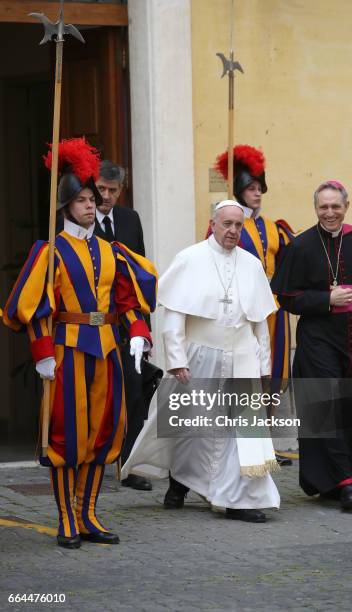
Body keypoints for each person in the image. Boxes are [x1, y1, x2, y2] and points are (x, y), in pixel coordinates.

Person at [2, 138, 157, 548]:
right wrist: (41, 354)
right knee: (67, 435)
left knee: (102, 434)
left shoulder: (112, 251)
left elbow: (129, 300)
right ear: (66, 205)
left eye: (93, 198)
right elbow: (34, 307)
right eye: (83, 199)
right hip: (67, 352)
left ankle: (89, 514)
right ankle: (66, 518)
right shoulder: (49, 251)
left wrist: (140, 334)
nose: (91, 205)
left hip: (106, 349)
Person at [122, 200, 280, 523]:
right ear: (213, 223)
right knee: (191, 427)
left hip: (242, 357)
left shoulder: (251, 265)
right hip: (200, 356)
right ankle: (180, 482)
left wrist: (264, 365)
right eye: (227, 224)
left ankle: (239, 499)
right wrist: (176, 358)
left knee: (241, 434)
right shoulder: (190, 258)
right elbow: (174, 315)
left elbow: (260, 322)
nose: (233, 231)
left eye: (238, 225)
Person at [271, 179, 352, 510]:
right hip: (316, 341)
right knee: (327, 408)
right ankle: (345, 485)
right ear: (316, 209)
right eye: (323, 207)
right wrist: (326, 299)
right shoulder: (301, 245)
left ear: (346, 207)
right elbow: (286, 297)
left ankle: (337, 480)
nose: (329, 212)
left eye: (335, 206)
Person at [211, 145, 295, 466]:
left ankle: (266, 443)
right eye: (250, 188)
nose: (257, 194)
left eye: (260, 188)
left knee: (272, 375)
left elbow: (288, 265)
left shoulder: (275, 228)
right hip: (243, 315)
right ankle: (244, 443)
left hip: (273, 311)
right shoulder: (228, 225)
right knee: (245, 376)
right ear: (239, 192)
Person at [94, 160, 153, 492]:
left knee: (134, 390)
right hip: (94, 322)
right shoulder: (78, 218)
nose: (105, 196)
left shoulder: (130, 219)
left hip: (129, 321)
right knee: (99, 392)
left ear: (121, 191)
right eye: (100, 189)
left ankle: (128, 464)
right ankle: (96, 459)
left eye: (112, 191)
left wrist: (144, 327)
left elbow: (142, 271)